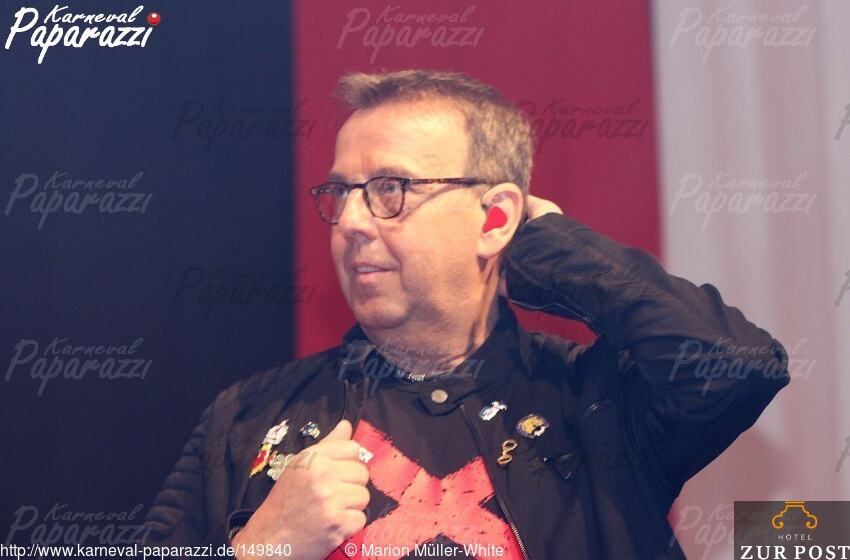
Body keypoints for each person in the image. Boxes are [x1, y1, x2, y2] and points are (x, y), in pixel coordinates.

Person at [143, 70, 790, 560]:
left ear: (495, 218)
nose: (350, 221)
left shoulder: (596, 401)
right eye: (341, 192)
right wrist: (263, 547)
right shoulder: (248, 415)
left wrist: (551, 247)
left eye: (390, 189)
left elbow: (735, 365)